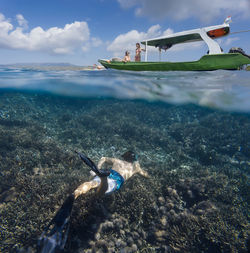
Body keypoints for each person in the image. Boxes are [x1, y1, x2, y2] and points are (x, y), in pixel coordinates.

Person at [37, 151, 148, 252]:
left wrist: (96, 168)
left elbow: (104, 157)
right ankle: (103, 177)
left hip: (109, 172)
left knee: (91, 184)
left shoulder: (117, 161)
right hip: (116, 180)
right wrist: (140, 169)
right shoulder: (135, 168)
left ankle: (75, 194)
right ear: (134, 160)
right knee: (100, 194)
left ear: (125, 156)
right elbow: (145, 175)